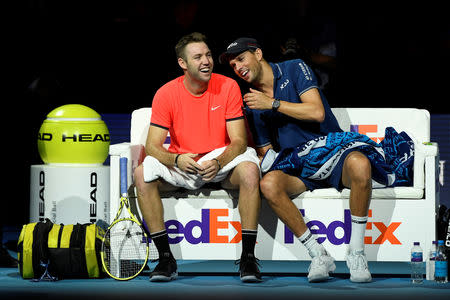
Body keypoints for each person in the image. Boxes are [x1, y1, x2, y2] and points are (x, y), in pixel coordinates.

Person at [220, 37, 372, 283]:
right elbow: (266, 151)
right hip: (299, 168)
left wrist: (273, 104)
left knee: (361, 164)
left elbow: (316, 111)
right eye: (233, 65)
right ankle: (318, 254)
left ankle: (356, 253)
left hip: (332, 154)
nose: (238, 67)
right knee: (268, 184)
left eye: (241, 59)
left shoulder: (293, 67)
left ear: (258, 53)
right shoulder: (252, 103)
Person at [133, 33, 262, 283]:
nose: (206, 61)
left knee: (249, 170)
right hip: (185, 166)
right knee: (141, 175)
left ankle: (248, 258)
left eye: (209, 55)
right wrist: (177, 160)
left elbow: (239, 142)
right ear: (183, 64)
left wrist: (219, 163)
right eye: (198, 57)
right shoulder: (165, 94)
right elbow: (153, 145)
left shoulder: (228, 86)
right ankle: (165, 259)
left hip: (222, 164)